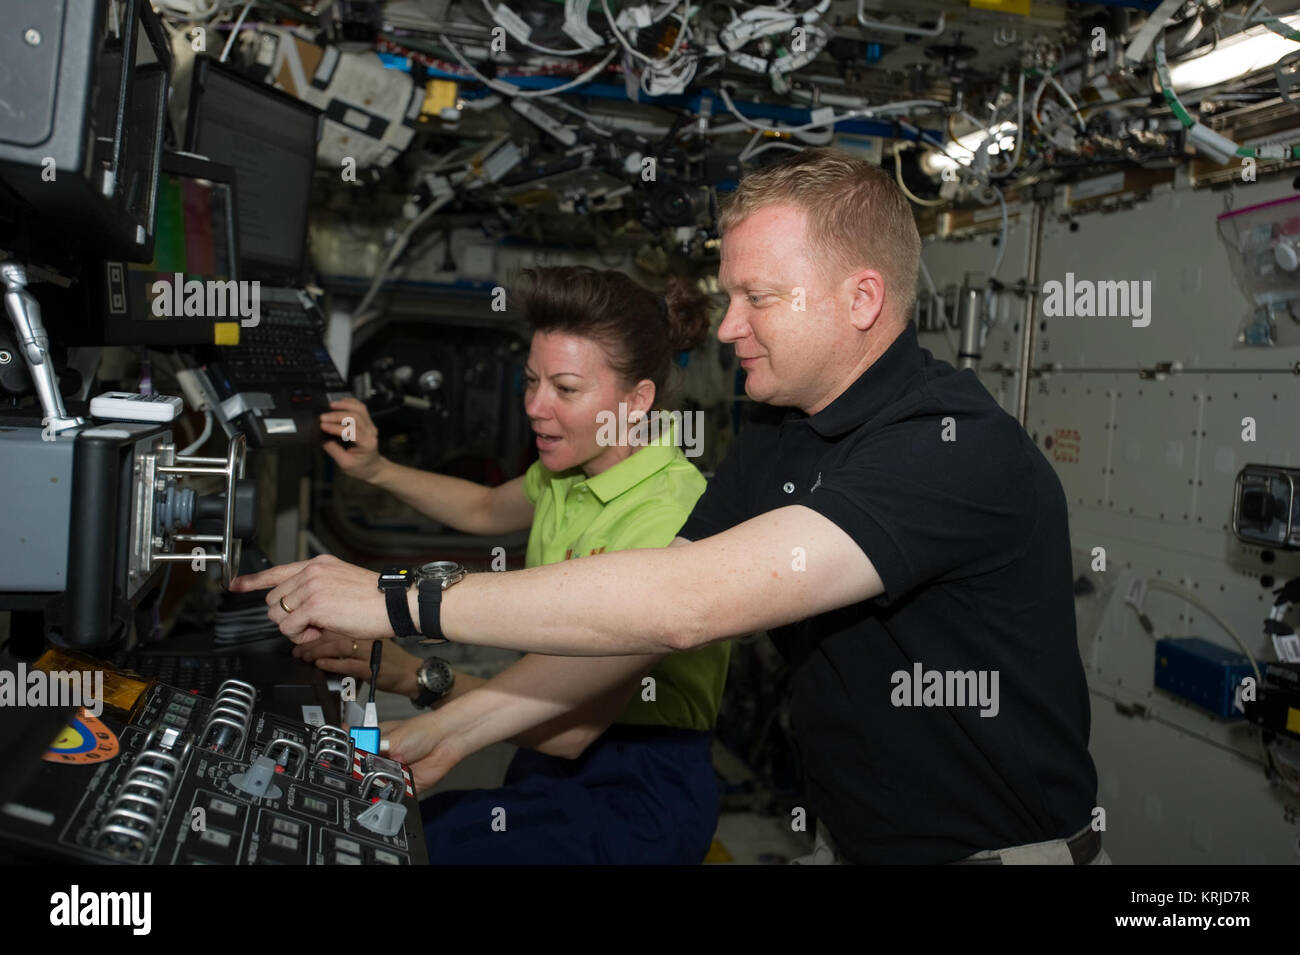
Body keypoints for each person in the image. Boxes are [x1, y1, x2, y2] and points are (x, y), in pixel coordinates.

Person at [234, 148, 1103, 865]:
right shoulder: (782, 430)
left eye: (757, 299)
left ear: (861, 299)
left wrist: (396, 599)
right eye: (729, 298)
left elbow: (687, 605)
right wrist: (452, 730)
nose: (727, 328)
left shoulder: (950, 447)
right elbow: (641, 619)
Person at [299, 265, 729, 864]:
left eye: (566, 389)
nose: (534, 406)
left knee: (420, 843)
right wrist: (376, 469)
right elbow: (481, 507)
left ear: (637, 402)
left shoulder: (669, 513)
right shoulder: (569, 468)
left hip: (636, 786)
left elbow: (575, 731)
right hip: (541, 751)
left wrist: (420, 678)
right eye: (531, 381)